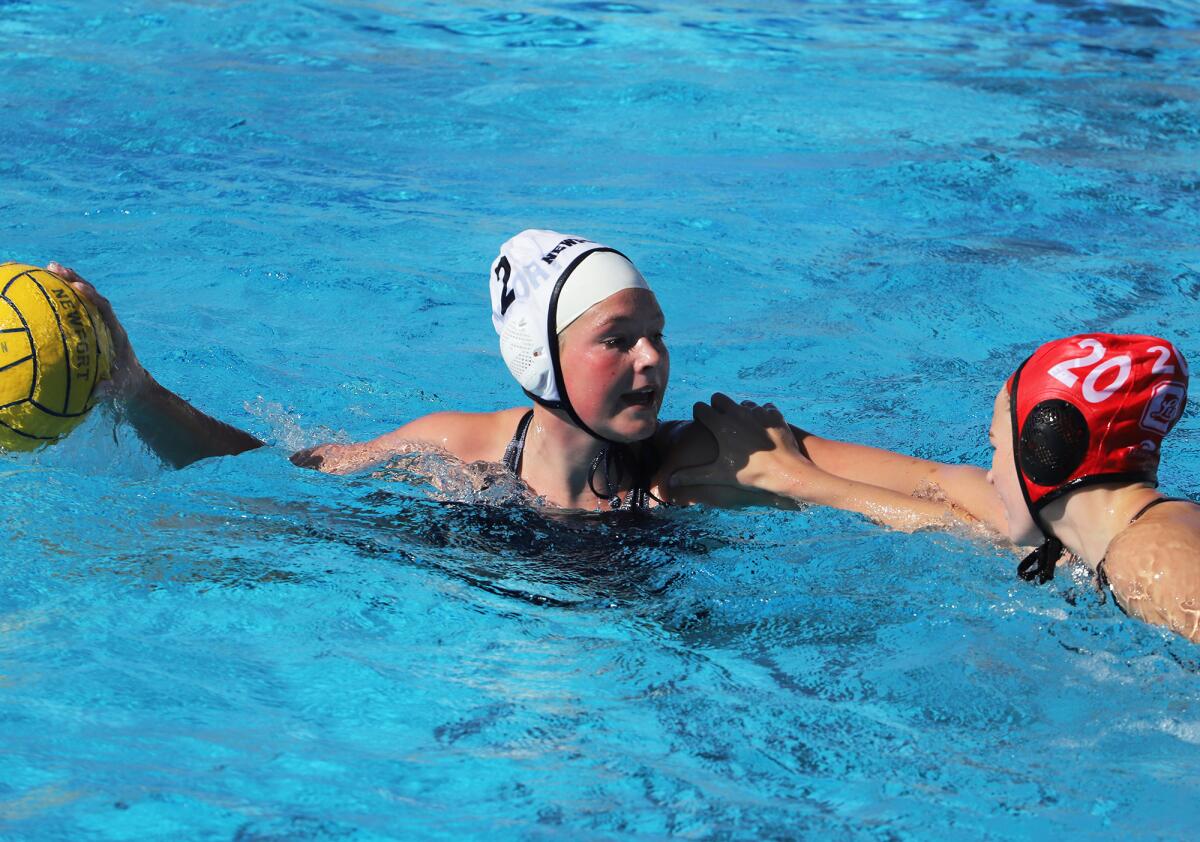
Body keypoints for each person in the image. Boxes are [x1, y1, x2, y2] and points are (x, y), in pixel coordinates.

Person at [46, 233, 946, 527]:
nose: (652, 361)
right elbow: (266, 475)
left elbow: (952, 495)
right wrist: (134, 387)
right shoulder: (455, 453)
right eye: (618, 339)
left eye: (657, 336)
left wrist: (798, 480)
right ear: (536, 360)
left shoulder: (715, 455)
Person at [676, 334, 1200, 642]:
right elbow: (956, 509)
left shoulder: (1152, 557)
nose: (991, 472)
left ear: (1045, 451)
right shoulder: (1113, 542)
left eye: (996, 446)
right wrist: (802, 482)